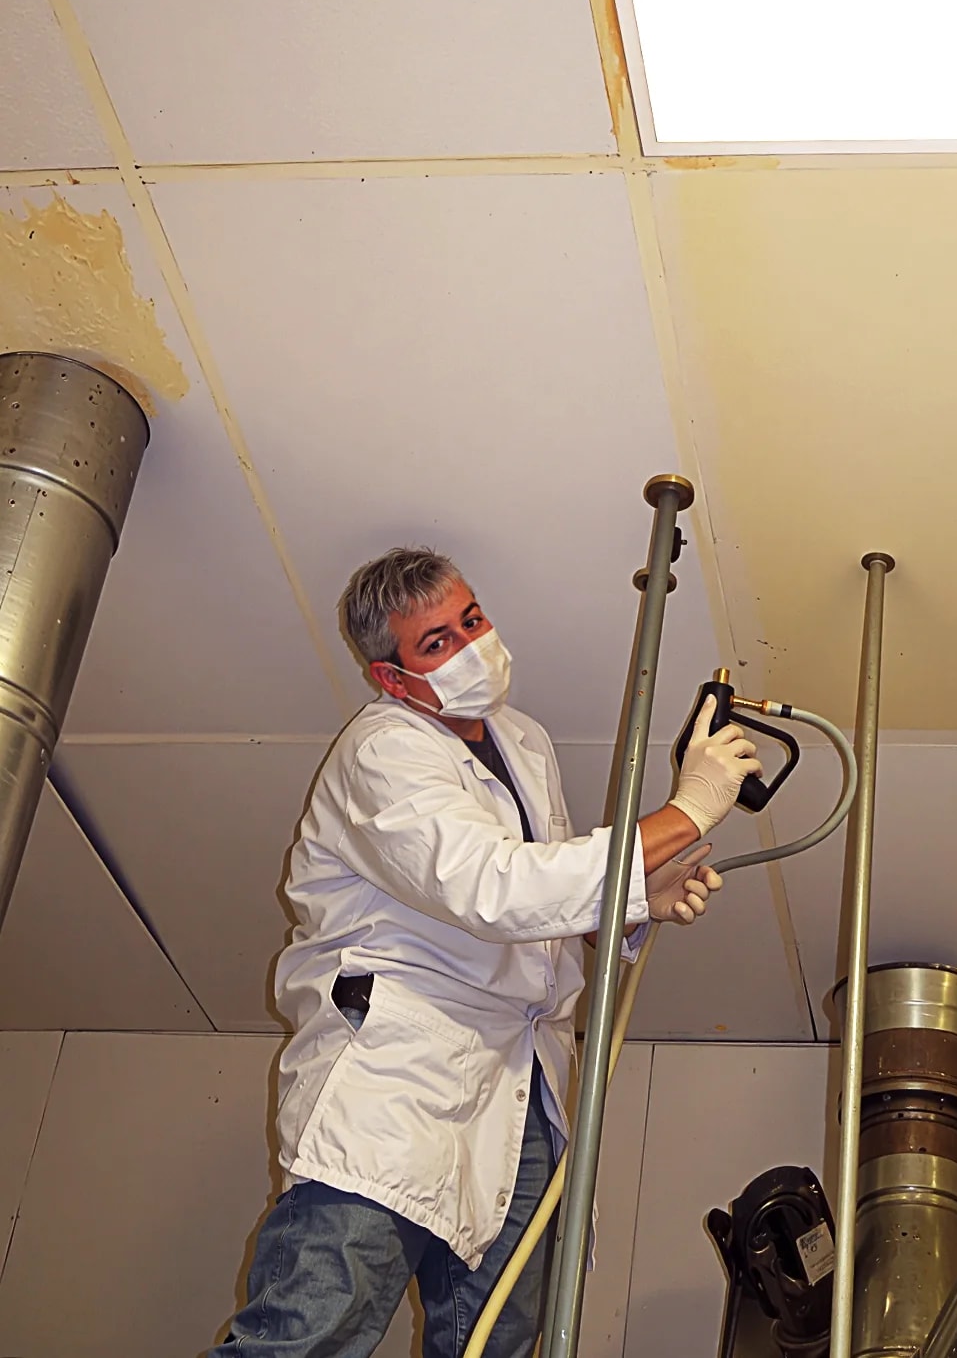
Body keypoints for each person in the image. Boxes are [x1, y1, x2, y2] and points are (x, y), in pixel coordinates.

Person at [208, 547, 762, 1358]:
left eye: (472, 620)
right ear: (393, 677)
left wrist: (637, 905)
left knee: (497, 1339)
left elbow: (541, 911)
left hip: (523, 1080)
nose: (471, 645)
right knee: (311, 1332)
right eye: (437, 642)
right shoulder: (382, 749)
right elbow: (491, 887)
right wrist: (688, 811)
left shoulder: (523, 740)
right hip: (399, 1080)